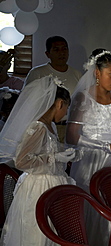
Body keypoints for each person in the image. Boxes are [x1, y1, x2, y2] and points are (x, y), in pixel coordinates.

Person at [0, 75, 78, 246]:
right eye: (66, 107)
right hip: (39, 187)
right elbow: (22, 161)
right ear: (59, 104)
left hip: (53, 182)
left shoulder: (51, 126)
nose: (65, 112)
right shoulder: (38, 127)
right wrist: (53, 157)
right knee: (38, 234)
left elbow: (45, 151)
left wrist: (65, 154)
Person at [65, 48, 111, 246]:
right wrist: (105, 147)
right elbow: (72, 137)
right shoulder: (83, 98)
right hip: (91, 160)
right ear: (97, 73)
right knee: (92, 206)